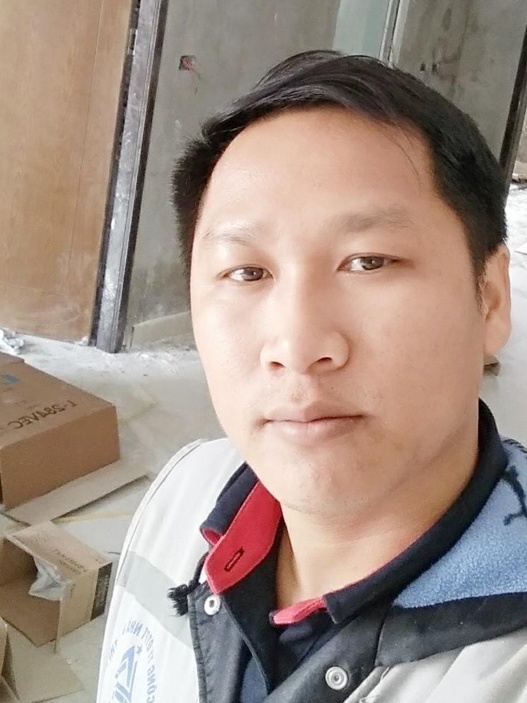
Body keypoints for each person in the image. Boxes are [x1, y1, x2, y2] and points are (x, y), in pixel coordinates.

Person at [97, 51, 527, 703]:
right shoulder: (185, 493)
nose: (296, 346)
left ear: (489, 298)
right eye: (246, 272)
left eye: (368, 261)